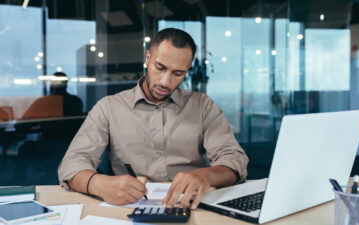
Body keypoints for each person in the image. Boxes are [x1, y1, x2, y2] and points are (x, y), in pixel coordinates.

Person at [58, 28, 248, 210]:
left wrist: (206, 176)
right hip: (129, 208)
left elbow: (234, 159)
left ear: (187, 70)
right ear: (148, 58)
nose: (166, 82)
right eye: (160, 67)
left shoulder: (203, 106)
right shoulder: (108, 107)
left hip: (194, 207)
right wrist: (98, 184)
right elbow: (72, 163)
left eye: (178, 73)